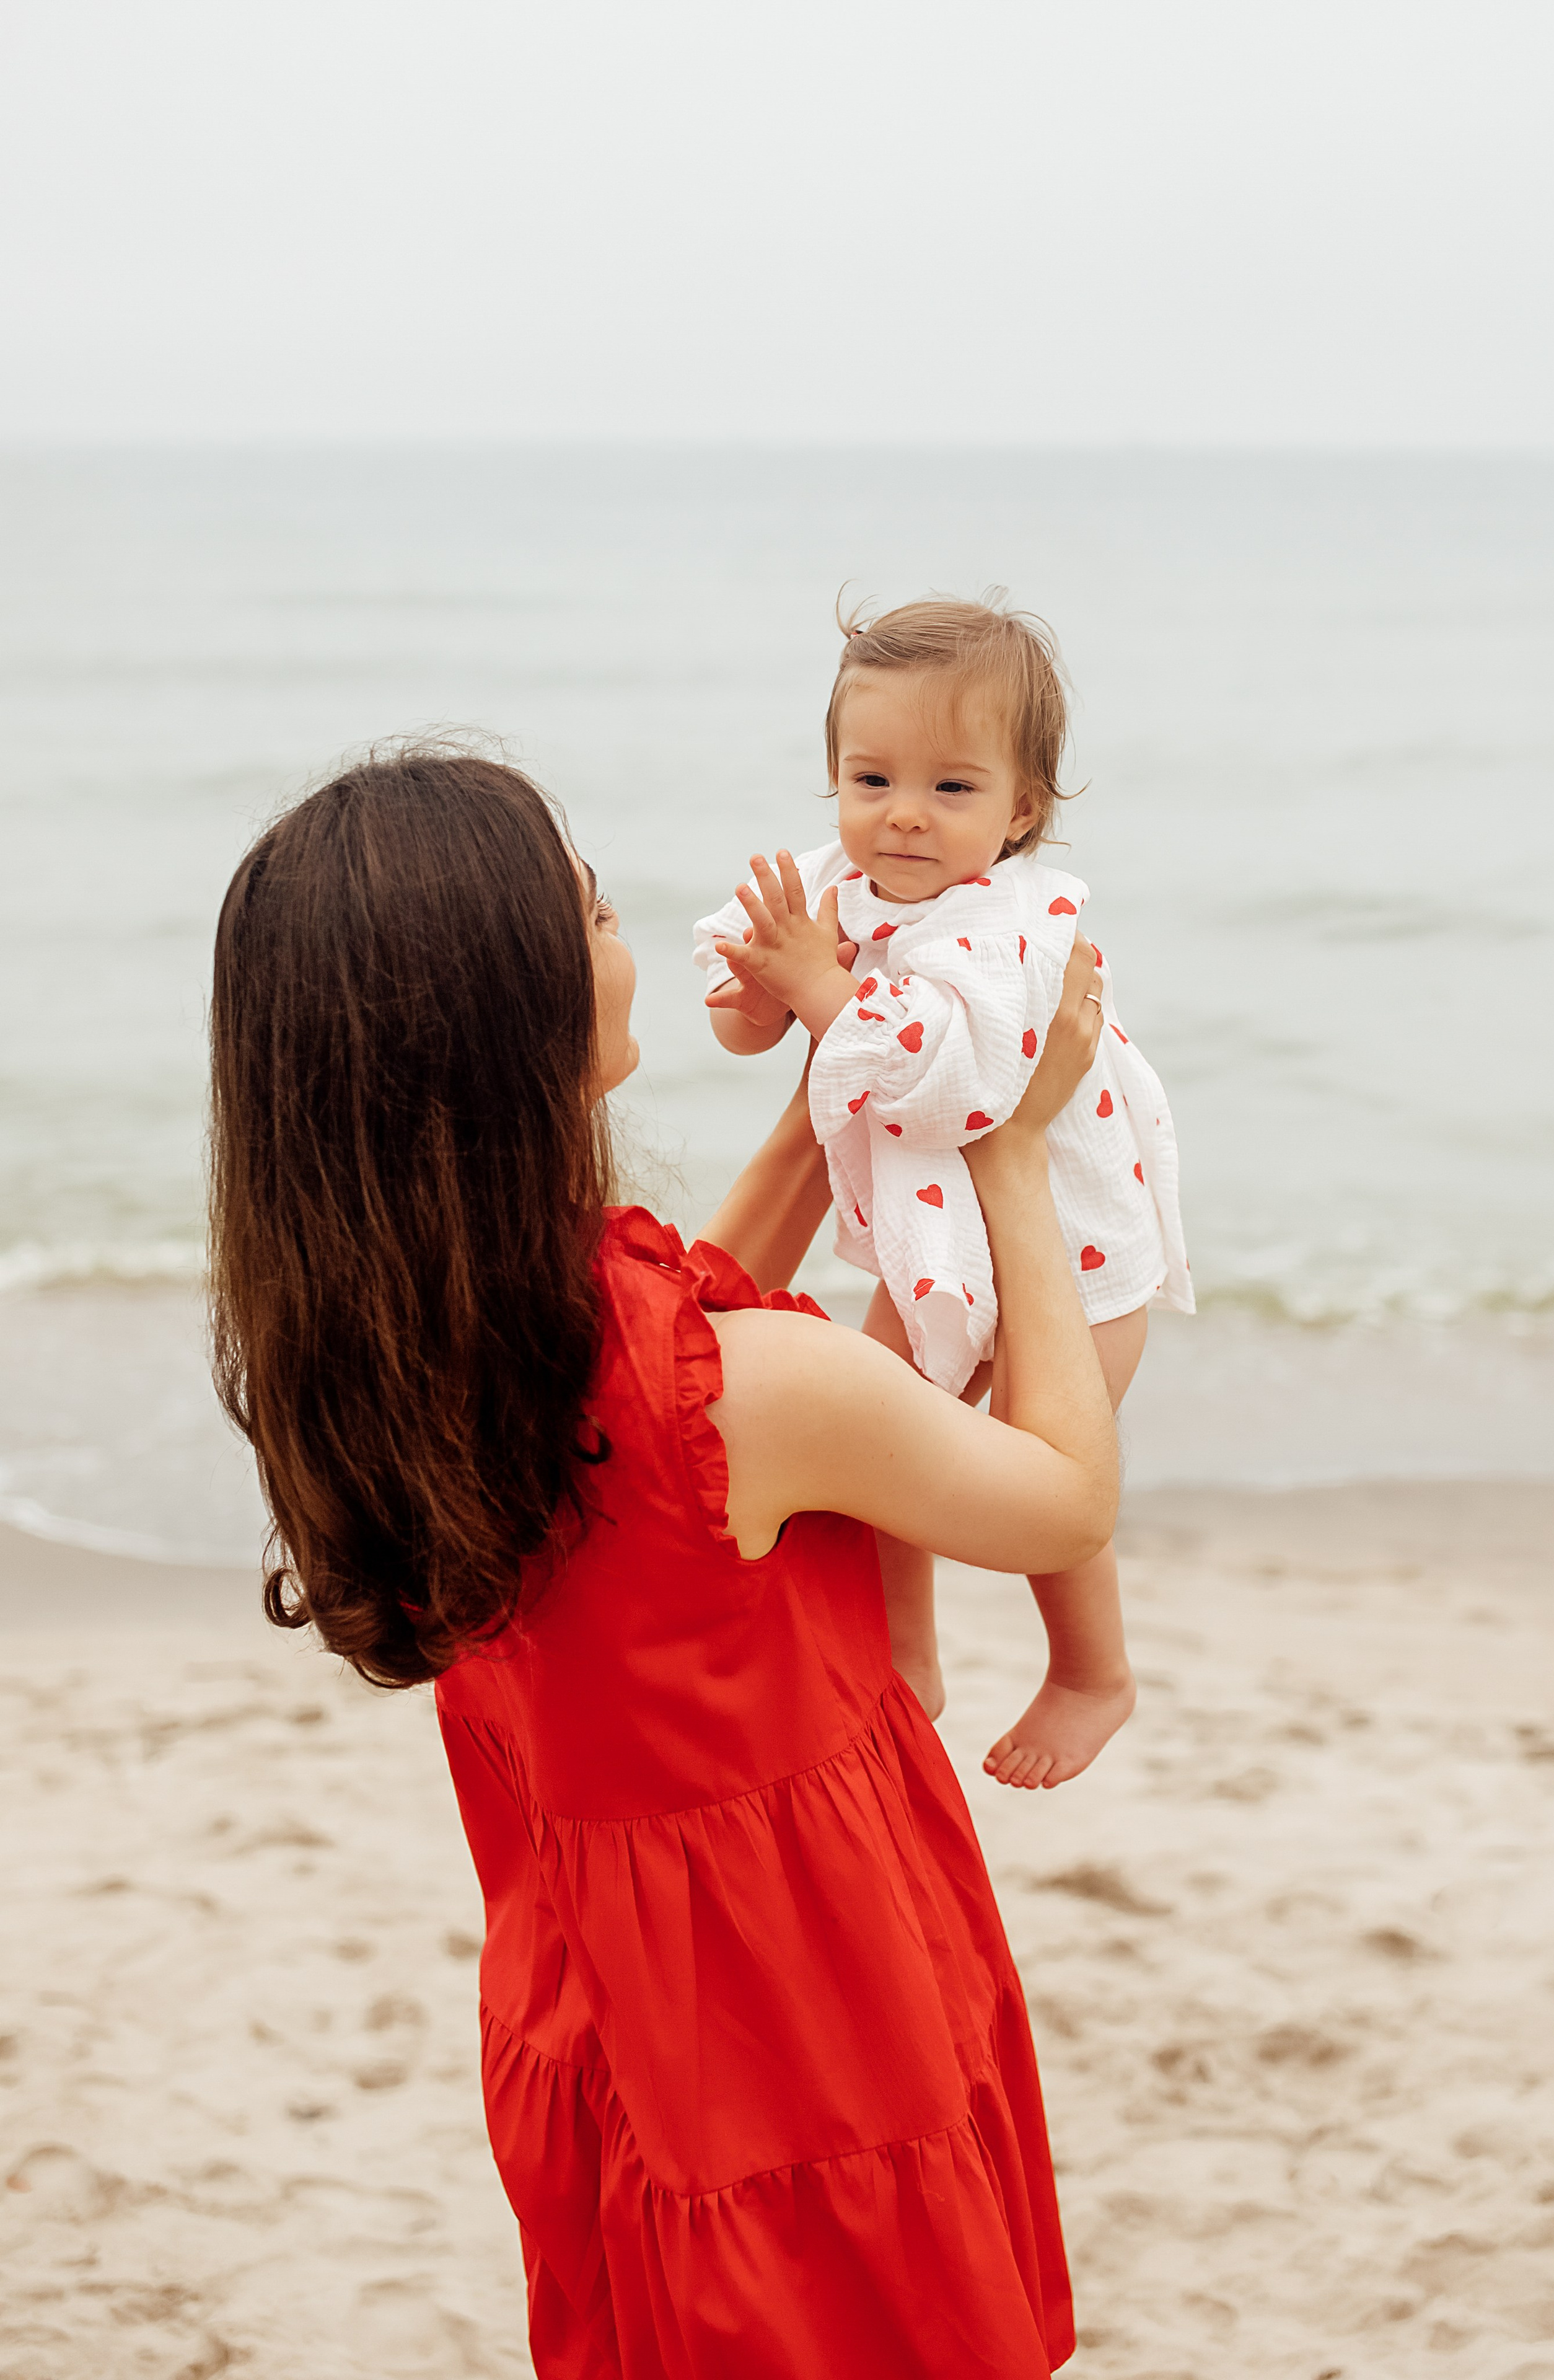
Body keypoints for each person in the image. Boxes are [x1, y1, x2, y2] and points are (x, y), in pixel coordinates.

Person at [208, 745, 1125, 2379]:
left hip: (604, 2017)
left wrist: (862, 1061)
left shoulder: (401, 1353)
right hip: (806, 2022)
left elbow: (681, 1314)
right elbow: (1061, 1501)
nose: (631, 937)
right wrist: (1006, 1142)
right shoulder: (760, 1401)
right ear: (523, 1016)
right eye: (600, 909)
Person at [693, 594, 1190, 1789]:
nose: (904, 814)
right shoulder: (834, 887)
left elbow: (948, 1092)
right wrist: (763, 992)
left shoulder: (1015, 928)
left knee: (1044, 1457)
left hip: (1066, 1251)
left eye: (952, 789)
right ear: (833, 780)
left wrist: (823, 997)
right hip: (936, 1253)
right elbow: (736, 1010)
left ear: (1023, 811)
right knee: (882, 1433)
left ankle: (1090, 1670)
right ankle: (906, 1652)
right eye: (872, 779)